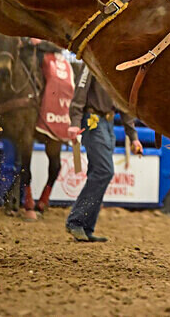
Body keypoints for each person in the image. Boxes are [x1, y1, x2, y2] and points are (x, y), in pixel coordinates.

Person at [65, 66, 142, 242]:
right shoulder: (91, 65)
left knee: (99, 172)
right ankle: (76, 221)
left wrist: (133, 136)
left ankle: (85, 226)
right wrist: (75, 122)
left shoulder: (116, 67)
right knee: (104, 171)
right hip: (93, 122)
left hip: (106, 124)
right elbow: (80, 91)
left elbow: (123, 104)